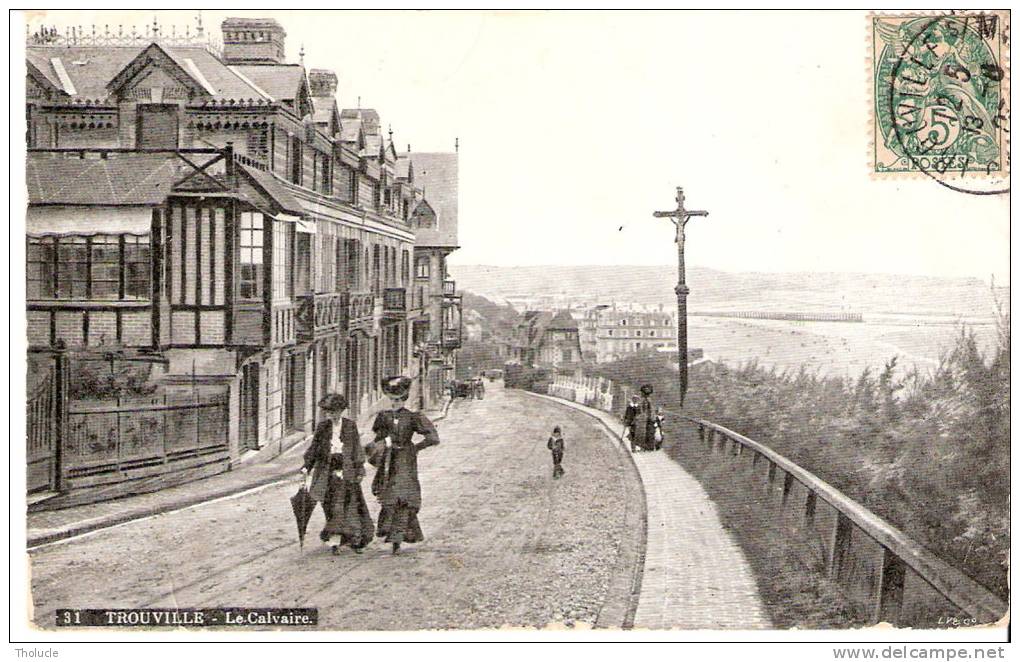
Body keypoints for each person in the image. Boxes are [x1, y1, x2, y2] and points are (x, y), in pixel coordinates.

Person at [367, 376, 441, 555]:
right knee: (390, 498)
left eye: (398, 399)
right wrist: (381, 445)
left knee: (404, 498)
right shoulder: (383, 417)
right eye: (392, 399)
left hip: (406, 462)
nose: (395, 403)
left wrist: (415, 448)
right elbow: (378, 438)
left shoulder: (412, 417)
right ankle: (392, 535)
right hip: (388, 461)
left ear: (404, 399)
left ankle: (397, 540)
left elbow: (433, 437)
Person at [301, 394, 374, 555]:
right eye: (330, 412)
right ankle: (335, 542)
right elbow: (314, 448)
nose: (333, 415)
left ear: (342, 411)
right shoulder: (322, 427)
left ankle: (355, 540)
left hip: (347, 472)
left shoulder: (350, 426)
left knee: (350, 507)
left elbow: (356, 448)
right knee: (331, 507)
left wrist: (360, 469)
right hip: (327, 473)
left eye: (336, 411)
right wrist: (307, 466)